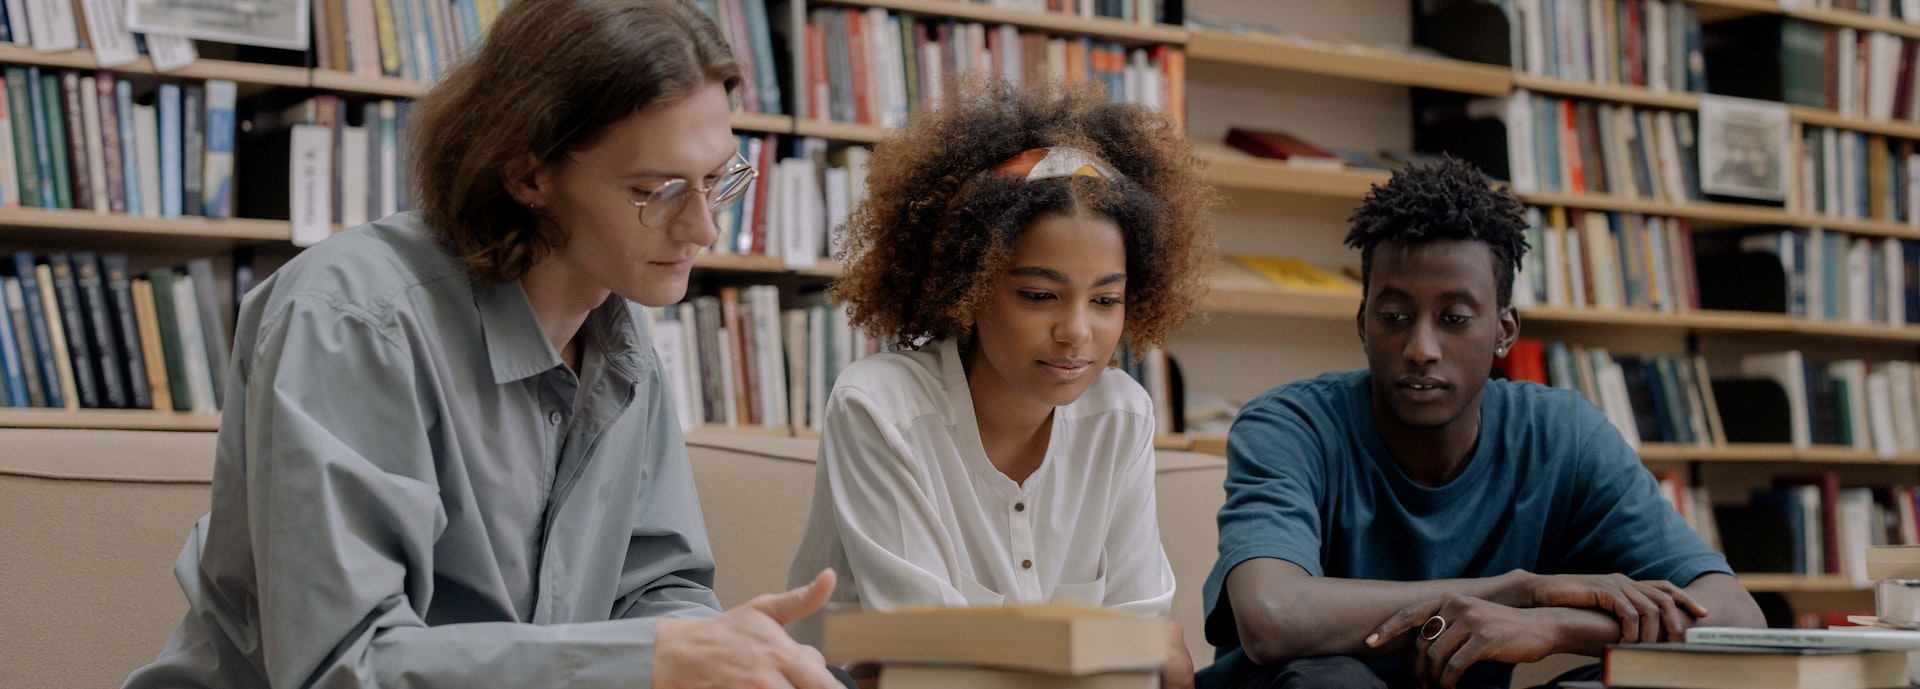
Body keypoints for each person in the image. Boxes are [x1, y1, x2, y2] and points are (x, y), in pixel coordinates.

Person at [121, 1, 846, 687]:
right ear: (528, 172)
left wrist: (721, 659)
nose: (703, 228)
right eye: (656, 190)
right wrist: (650, 658)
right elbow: (346, 665)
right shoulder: (351, 320)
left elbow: (656, 588)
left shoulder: (622, 347)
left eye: (718, 179)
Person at [1197, 158, 1765, 689]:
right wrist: (1519, 591)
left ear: (1504, 331)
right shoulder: (1292, 425)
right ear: (1363, 323)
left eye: (1454, 319)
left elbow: (1738, 619)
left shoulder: (1561, 436)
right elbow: (1273, 617)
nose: (1421, 348)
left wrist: (1555, 627)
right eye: (1394, 316)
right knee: (1328, 677)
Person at [785, 77, 1217, 688]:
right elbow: (927, 662)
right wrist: (1110, 650)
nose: (1077, 333)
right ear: (971, 285)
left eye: (1106, 299)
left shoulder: (1123, 416)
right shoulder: (879, 408)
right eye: (1039, 295)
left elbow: (1143, 654)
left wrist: (1133, 653)